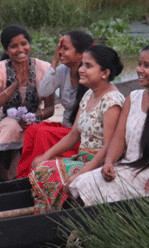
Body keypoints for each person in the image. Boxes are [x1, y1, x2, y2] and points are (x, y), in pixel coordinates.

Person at [69, 42, 149, 205]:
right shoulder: (133, 98)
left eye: (147, 66)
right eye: (139, 64)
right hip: (131, 166)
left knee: (90, 187)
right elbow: (119, 138)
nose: (139, 70)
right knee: (80, 183)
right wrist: (109, 162)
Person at [29, 45, 125, 214]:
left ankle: (53, 215)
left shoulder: (112, 101)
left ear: (105, 73)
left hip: (101, 165)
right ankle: (53, 213)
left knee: (46, 172)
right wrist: (46, 155)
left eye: (88, 66)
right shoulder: (89, 94)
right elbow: (74, 135)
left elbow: (110, 147)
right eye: (82, 65)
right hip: (83, 159)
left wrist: (81, 173)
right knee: (40, 165)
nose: (81, 70)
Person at [15, 30, 94, 179]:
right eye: (60, 48)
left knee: (42, 134)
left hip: (77, 135)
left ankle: (40, 175)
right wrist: (53, 62)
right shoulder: (63, 70)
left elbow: (78, 130)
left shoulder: (90, 77)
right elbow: (44, 91)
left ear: (80, 54)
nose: (60, 52)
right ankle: (26, 176)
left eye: (65, 48)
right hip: (65, 128)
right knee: (32, 130)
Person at [0, 24, 55, 183]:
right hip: (2, 120)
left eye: (24, 44)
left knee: (35, 130)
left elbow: (50, 109)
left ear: (29, 44)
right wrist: (15, 84)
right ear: (7, 50)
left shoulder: (44, 68)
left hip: (32, 119)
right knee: (12, 127)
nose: (20, 49)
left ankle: (15, 173)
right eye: (13, 46)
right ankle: (10, 174)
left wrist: (33, 117)